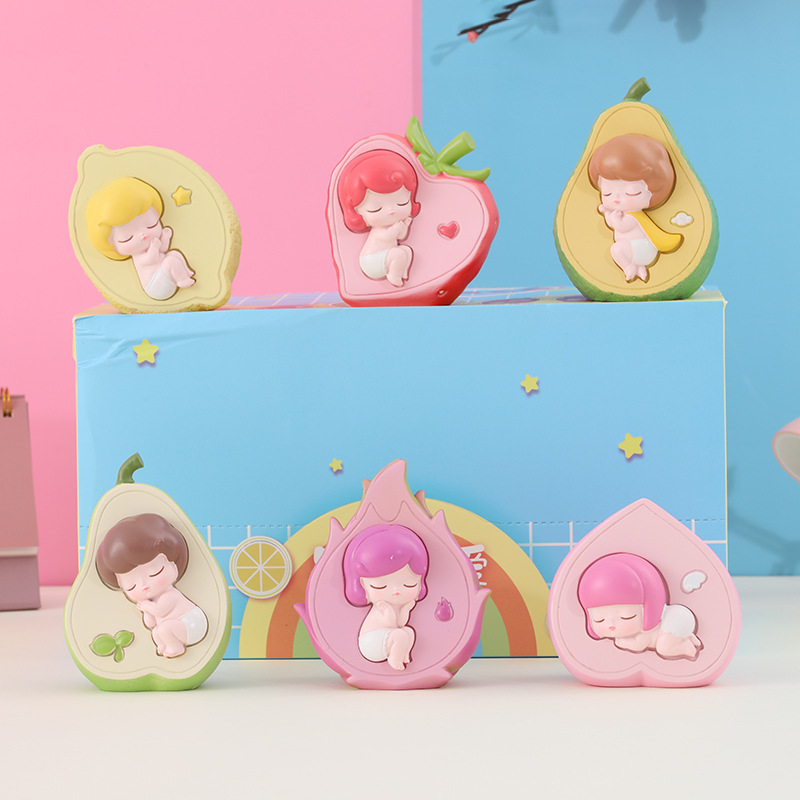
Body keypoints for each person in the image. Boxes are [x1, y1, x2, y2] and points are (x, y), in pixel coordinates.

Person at [96, 513, 207, 658]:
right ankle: (163, 646)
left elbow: (160, 611)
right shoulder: (152, 602)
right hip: (177, 628)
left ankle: (176, 648)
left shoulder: (170, 595)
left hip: (192, 624)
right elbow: (150, 623)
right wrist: (146, 611)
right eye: (131, 586)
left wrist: (147, 606)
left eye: (155, 572)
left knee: (164, 629)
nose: (144, 585)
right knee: (156, 631)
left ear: (173, 563)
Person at [588, 133, 682, 282]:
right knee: (618, 250)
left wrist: (611, 215)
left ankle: (629, 267)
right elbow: (613, 223)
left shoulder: (633, 216)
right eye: (607, 193)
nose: (616, 198)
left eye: (631, 192)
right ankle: (635, 268)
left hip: (640, 248)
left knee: (616, 249)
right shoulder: (623, 213)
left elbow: (620, 226)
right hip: (633, 249)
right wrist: (607, 212)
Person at [577, 552, 702, 660]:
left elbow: (638, 645)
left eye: (626, 617)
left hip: (675, 623)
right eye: (599, 619)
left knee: (664, 648)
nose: (611, 625)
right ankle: (688, 637)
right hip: (679, 620)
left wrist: (622, 643)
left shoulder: (643, 634)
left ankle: (688, 648)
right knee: (670, 640)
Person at [86, 176, 195, 300]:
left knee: (174, 254)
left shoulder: (152, 244)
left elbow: (163, 249)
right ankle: (182, 280)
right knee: (170, 261)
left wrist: (165, 237)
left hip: (164, 276)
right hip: (155, 287)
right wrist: (154, 247)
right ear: (114, 247)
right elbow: (151, 259)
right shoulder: (138, 257)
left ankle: (186, 273)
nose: (143, 235)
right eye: (127, 238)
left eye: (151, 224)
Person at [343, 524, 428, 670]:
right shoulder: (381, 606)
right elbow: (389, 622)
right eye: (380, 586)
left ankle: (403, 655)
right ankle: (394, 659)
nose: (396, 591)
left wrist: (406, 608)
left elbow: (400, 622)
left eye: (408, 585)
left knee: (407, 631)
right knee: (400, 635)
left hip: (388, 637)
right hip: (372, 642)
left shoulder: (394, 605)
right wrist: (387, 609)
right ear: (363, 585)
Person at [337, 150, 421, 287]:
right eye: (375, 209)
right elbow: (387, 237)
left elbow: (400, 236)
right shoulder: (378, 230)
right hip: (372, 261)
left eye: (402, 203)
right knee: (398, 254)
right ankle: (393, 275)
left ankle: (402, 273)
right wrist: (396, 229)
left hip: (385, 257)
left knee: (405, 250)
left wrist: (404, 226)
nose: (391, 211)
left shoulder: (391, 226)